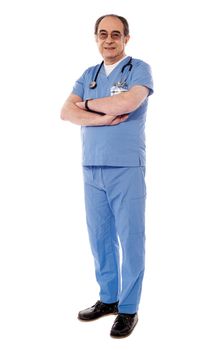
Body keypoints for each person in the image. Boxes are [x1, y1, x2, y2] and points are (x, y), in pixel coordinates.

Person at [61, 14, 153, 338]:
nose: (109, 39)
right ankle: (109, 298)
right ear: (96, 38)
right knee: (100, 239)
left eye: (116, 34)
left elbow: (128, 101)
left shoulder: (138, 70)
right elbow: (65, 112)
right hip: (92, 167)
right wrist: (102, 115)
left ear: (126, 38)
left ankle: (128, 309)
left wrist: (86, 105)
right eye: (103, 34)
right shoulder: (89, 74)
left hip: (125, 167)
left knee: (130, 238)